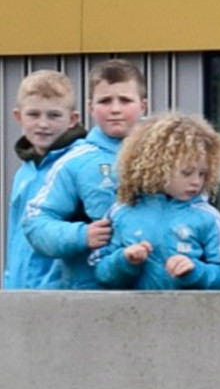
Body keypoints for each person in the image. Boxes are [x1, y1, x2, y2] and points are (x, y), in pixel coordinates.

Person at [24, 60, 148, 292]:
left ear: (143, 105)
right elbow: (35, 222)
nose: (115, 109)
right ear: (90, 108)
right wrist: (81, 235)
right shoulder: (74, 162)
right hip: (92, 296)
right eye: (105, 101)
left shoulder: (168, 154)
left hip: (160, 291)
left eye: (125, 100)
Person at [91, 113, 220, 291]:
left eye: (202, 173)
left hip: (192, 315)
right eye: (187, 172)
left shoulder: (208, 217)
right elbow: (101, 272)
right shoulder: (123, 211)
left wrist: (195, 272)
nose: (196, 181)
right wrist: (124, 261)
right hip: (133, 314)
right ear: (156, 168)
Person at [6, 70, 81, 290]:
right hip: (19, 290)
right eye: (34, 114)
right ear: (18, 117)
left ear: (72, 119)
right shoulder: (24, 172)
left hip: (58, 293)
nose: (43, 124)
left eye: (54, 115)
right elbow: (15, 234)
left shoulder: (77, 165)